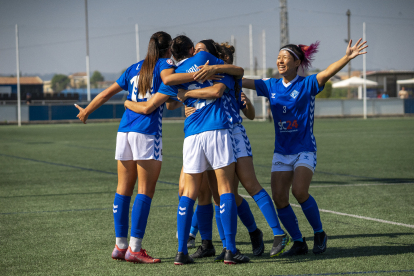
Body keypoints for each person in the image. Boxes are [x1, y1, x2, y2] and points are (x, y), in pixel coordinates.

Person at [74, 31, 201, 264]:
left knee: (123, 188)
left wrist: (86, 111)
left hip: (124, 131)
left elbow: (105, 94)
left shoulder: (134, 68)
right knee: (144, 191)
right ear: (168, 50)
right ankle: (135, 248)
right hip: (146, 133)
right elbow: (166, 91)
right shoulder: (165, 66)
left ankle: (120, 246)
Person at [124, 35, 250, 265]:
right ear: (193, 49)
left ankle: (181, 252)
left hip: (191, 136)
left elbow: (163, 102)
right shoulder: (204, 58)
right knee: (224, 190)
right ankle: (230, 250)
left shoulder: (173, 76)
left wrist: (183, 96)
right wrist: (211, 69)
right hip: (216, 129)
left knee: (188, 193)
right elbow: (236, 71)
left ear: (172, 55)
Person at [242, 38, 367, 256]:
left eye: (285, 58)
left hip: (304, 149)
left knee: (299, 191)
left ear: (297, 62)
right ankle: (299, 241)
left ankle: (319, 233)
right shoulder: (270, 85)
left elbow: (327, 72)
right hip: (281, 151)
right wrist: (217, 73)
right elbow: (243, 81)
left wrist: (347, 57)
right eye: (278, 57)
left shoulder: (307, 84)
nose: (280, 61)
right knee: (279, 198)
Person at [178, 41, 290, 260]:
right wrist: (187, 100)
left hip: (233, 133)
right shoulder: (204, 76)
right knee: (221, 193)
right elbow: (180, 94)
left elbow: (250, 112)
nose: (198, 56)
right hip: (214, 133)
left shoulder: (226, 75)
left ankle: (276, 233)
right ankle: (232, 242)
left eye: (201, 51)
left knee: (248, 184)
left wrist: (241, 98)